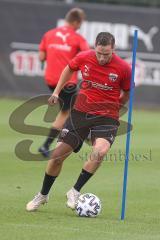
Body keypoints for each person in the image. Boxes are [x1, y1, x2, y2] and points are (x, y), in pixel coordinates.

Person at [26, 32, 131, 212]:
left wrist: (116, 106)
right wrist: (56, 92)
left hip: (107, 117)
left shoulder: (124, 68)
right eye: (99, 53)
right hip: (80, 113)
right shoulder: (84, 57)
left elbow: (127, 92)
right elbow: (69, 69)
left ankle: (74, 191)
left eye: (106, 54)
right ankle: (43, 195)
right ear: (95, 48)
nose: (102, 57)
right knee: (57, 157)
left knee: (101, 151)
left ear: (113, 50)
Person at [38, 8, 89, 157]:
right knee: (68, 113)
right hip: (67, 82)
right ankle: (49, 145)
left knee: (69, 111)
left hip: (50, 80)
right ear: (75, 22)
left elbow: (41, 57)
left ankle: (72, 139)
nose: (80, 26)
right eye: (80, 24)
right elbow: (87, 56)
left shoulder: (49, 34)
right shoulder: (78, 38)